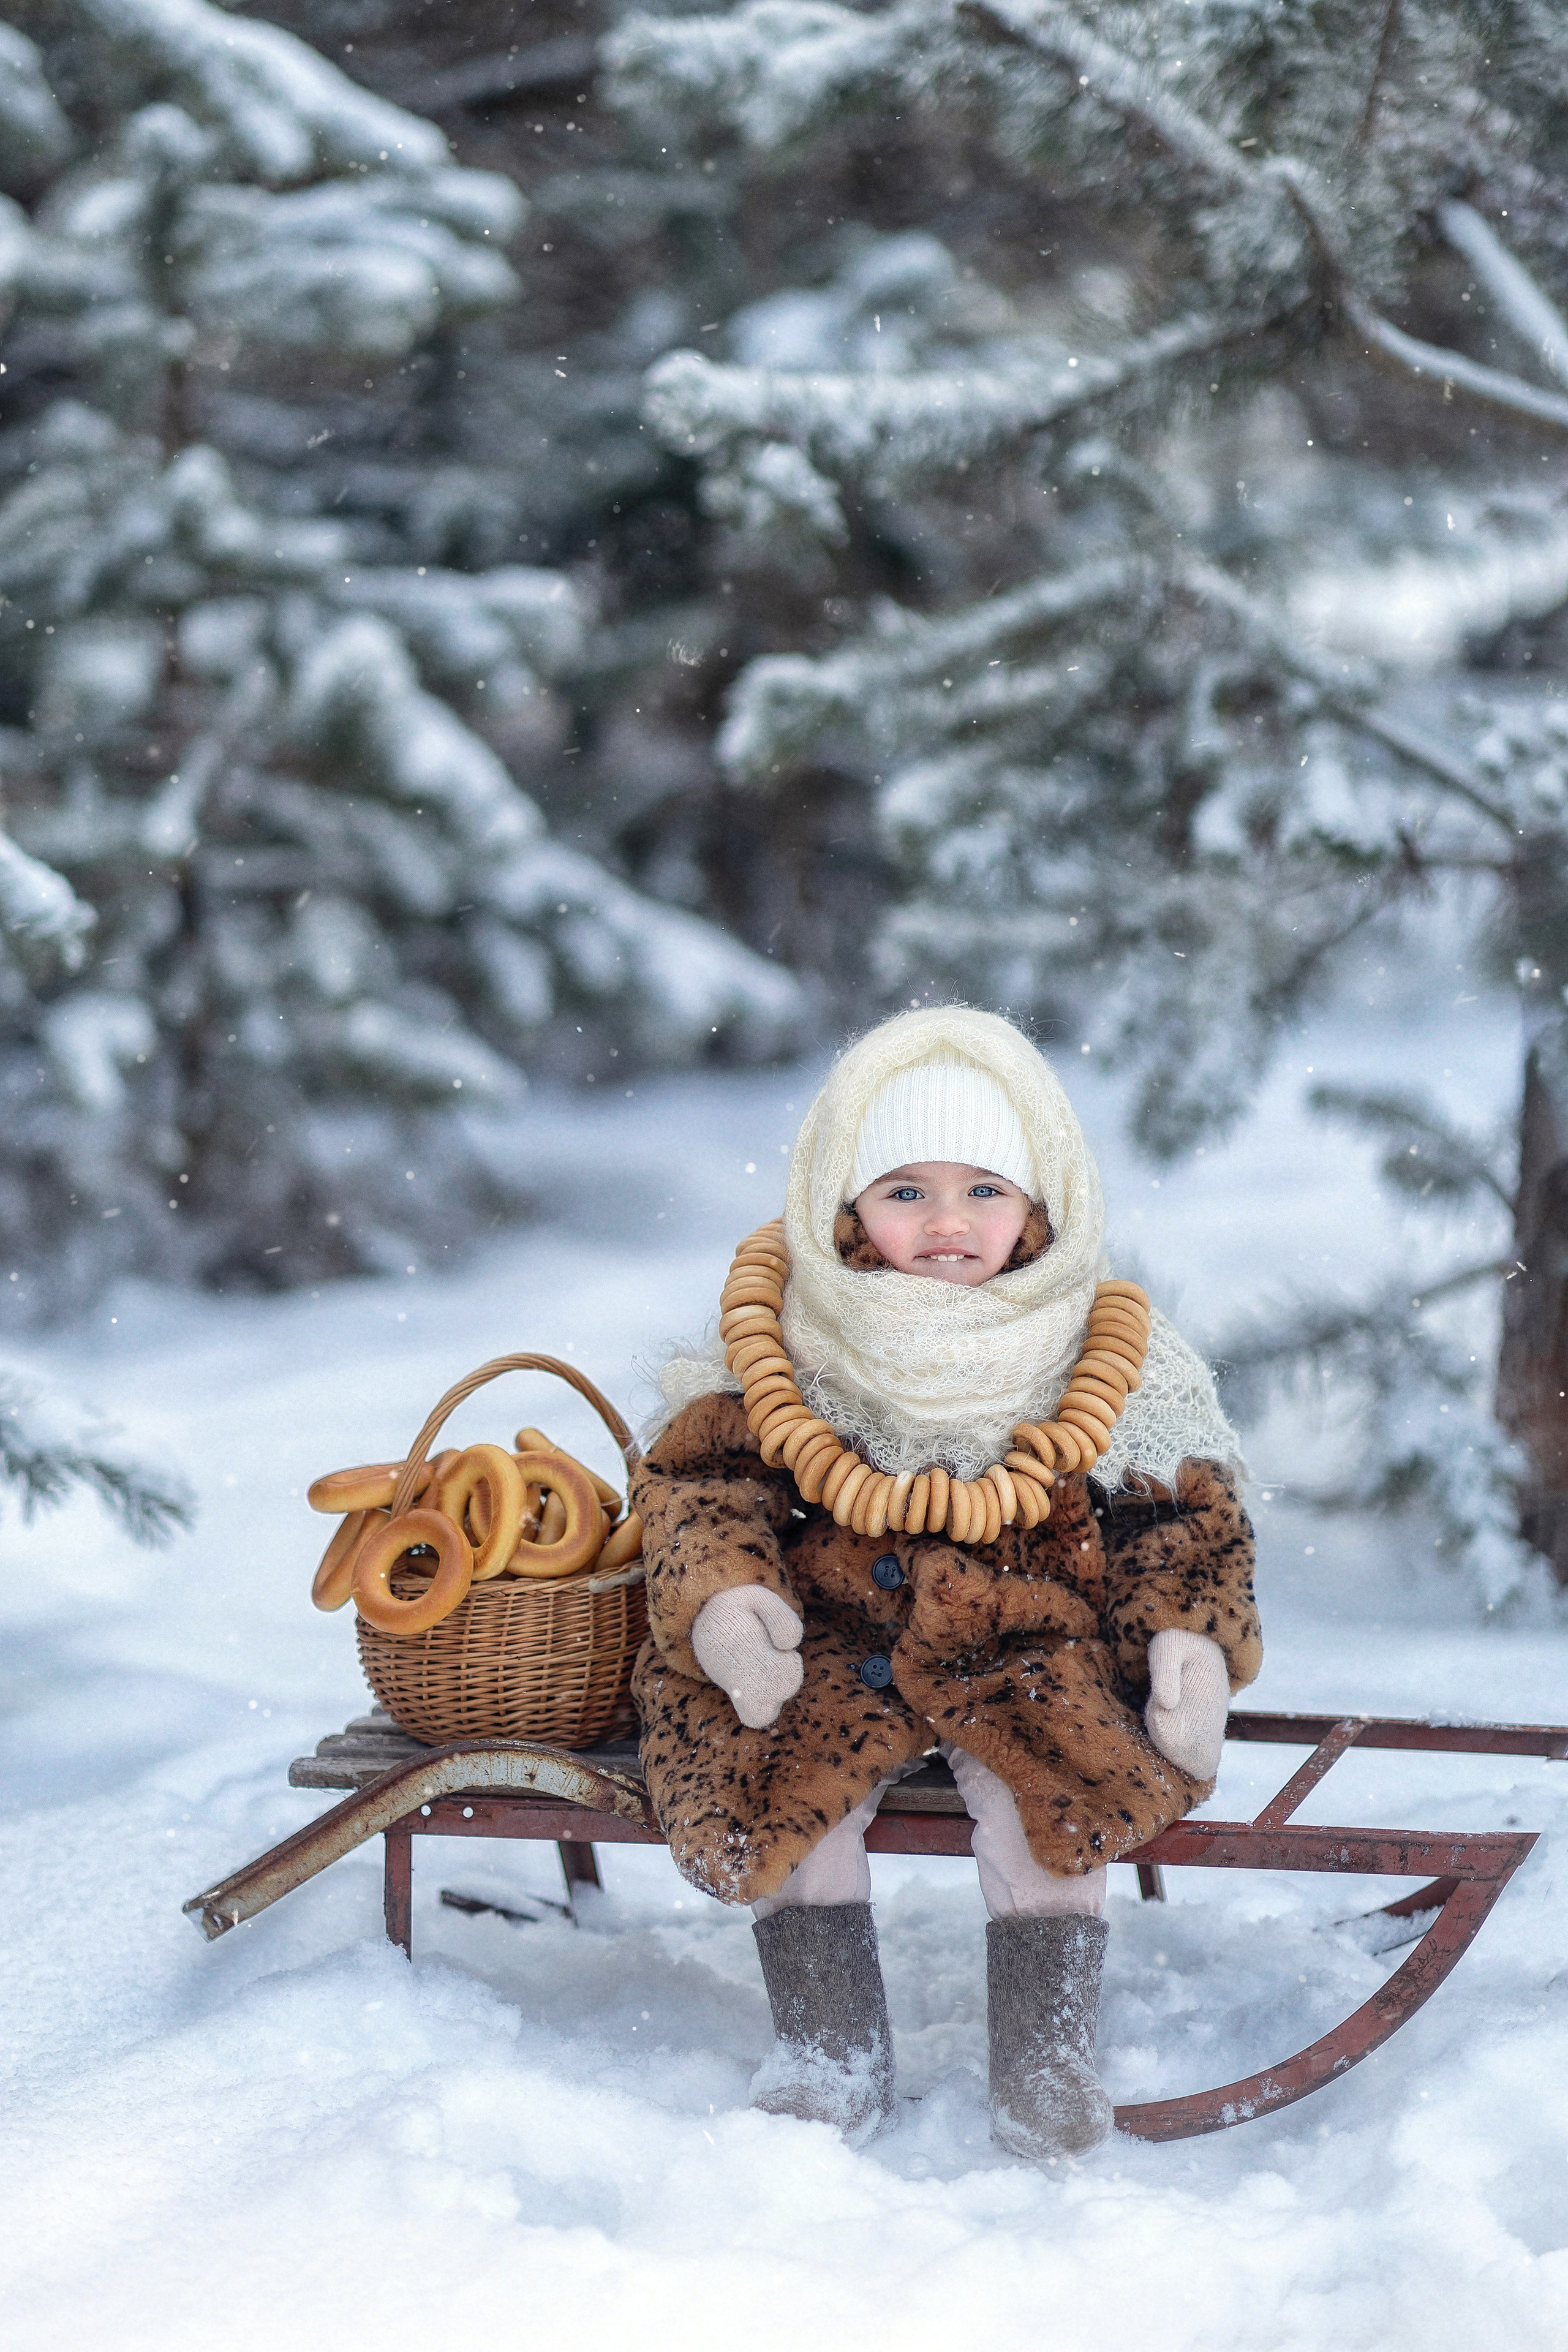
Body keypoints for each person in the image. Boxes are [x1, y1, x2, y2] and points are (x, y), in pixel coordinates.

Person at [631, 1007, 1261, 2158]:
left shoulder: (1101, 1346)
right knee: (783, 1788)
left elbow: (1180, 1513)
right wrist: (726, 1599)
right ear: (846, 1205)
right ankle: (829, 2047)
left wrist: (1189, 1639)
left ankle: (1046, 2050)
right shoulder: (792, 1329)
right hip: (824, 1635)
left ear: (1040, 1204)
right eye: (905, 1192)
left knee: (1052, 1802)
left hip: (1025, 1638)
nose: (948, 1223)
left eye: (985, 1189)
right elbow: (702, 1482)